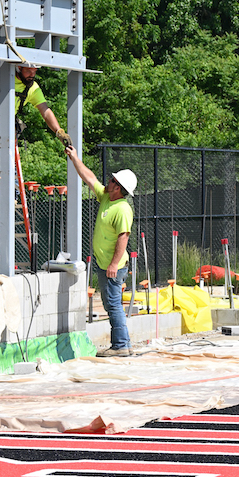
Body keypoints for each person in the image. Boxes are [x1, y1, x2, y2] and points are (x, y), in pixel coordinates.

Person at [66, 146, 136, 357]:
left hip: (113, 266)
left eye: (113, 181)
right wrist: (75, 158)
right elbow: (89, 178)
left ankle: (121, 345)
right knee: (110, 303)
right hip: (103, 263)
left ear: (118, 187)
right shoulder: (107, 197)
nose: (109, 181)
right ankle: (124, 343)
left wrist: (114, 264)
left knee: (113, 305)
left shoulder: (122, 209)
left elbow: (123, 237)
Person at [0, 64, 70, 188]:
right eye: (28, 71)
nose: (32, 75)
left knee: (10, 159)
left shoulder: (33, 88)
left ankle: (12, 195)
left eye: (34, 72)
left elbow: (45, 111)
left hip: (8, 123)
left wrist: (59, 131)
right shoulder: (1, 73)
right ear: (18, 69)